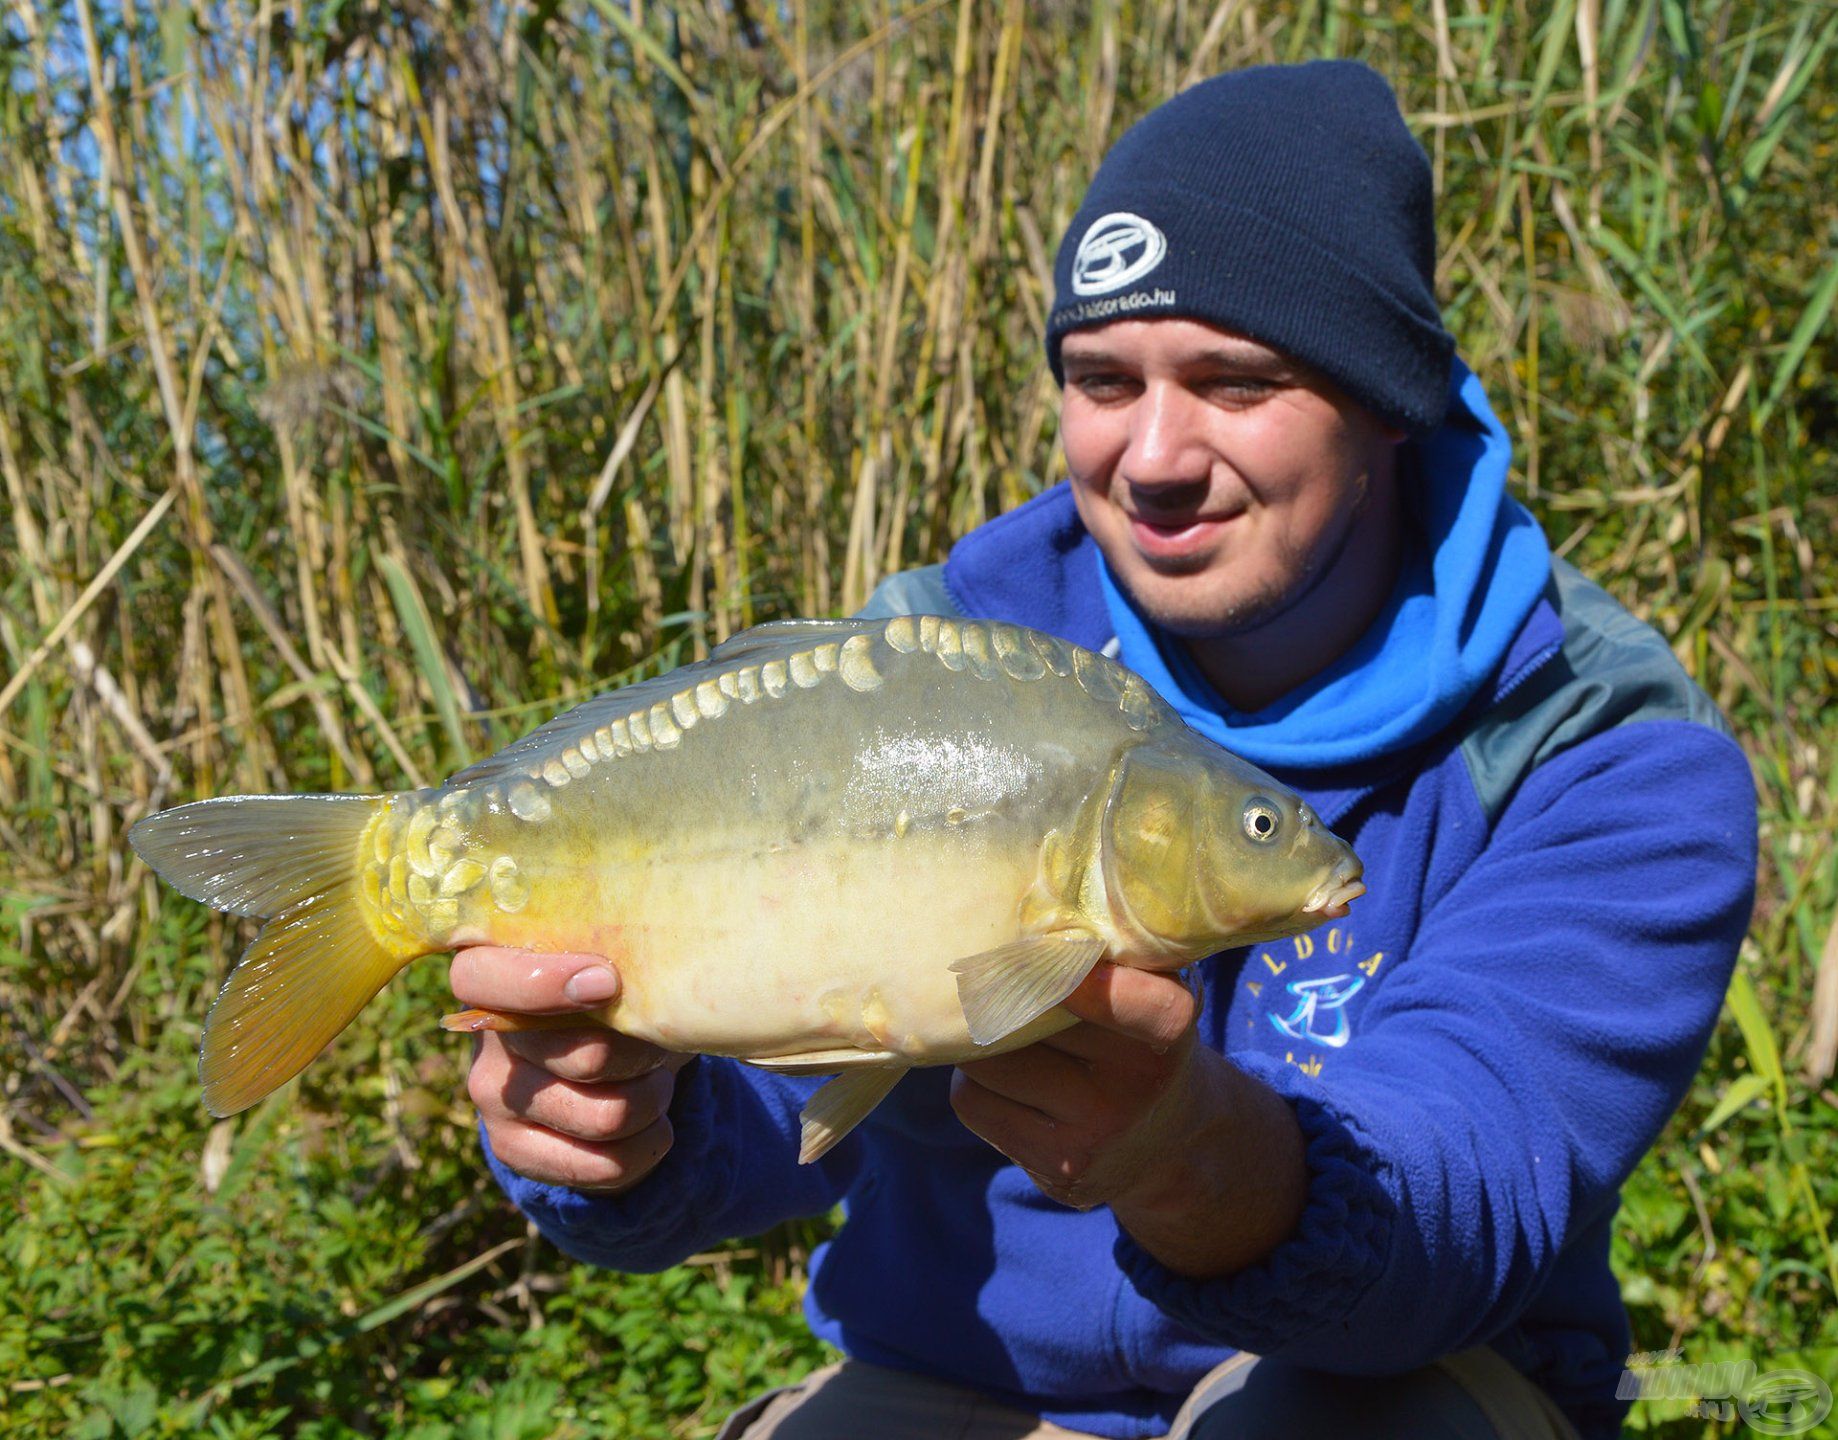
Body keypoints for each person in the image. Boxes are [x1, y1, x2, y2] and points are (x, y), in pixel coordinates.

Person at [452, 62, 1757, 1439]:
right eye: (1100, 381)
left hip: (1382, 1385)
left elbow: (1462, 1206)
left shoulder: (1597, 748)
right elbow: (775, 1109)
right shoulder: (921, 676)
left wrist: (1196, 1159)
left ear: (1387, 401)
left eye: (1234, 382)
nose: (1152, 458)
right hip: (970, 1386)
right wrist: (612, 1131)